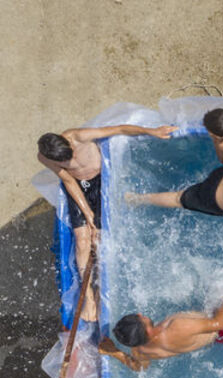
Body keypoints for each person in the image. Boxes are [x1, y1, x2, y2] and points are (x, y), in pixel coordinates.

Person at [37, 124, 177, 321]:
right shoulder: (45, 158)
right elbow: (68, 181)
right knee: (82, 241)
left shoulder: (80, 137)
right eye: (67, 160)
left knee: (100, 239)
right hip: (80, 187)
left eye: (72, 153)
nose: (74, 158)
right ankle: (89, 298)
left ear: (67, 143)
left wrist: (151, 132)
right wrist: (87, 213)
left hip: (102, 180)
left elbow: (119, 129)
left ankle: (100, 289)